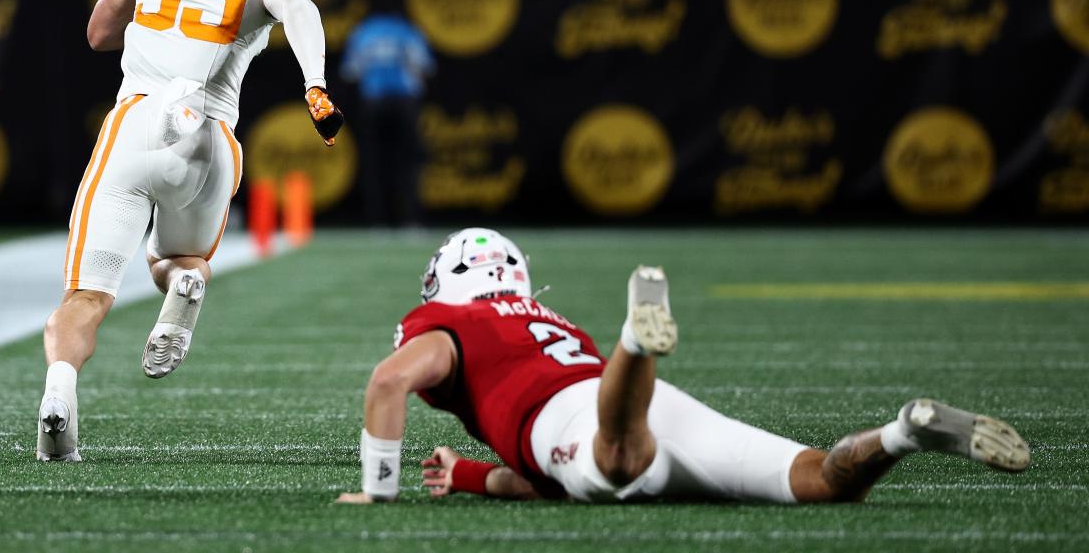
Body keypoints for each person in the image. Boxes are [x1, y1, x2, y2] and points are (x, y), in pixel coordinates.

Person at [336, 228, 1031, 505]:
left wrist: (379, 490)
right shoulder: (547, 321)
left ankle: (637, 342)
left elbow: (390, 380)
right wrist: (468, 476)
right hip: (630, 397)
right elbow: (547, 477)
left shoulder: (449, 321)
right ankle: (903, 433)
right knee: (822, 482)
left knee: (616, 465)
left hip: (588, 412)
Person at [36, 0, 345, 463]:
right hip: (210, 136)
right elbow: (296, 9)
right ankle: (184, 287)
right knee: (180, 261)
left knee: (86, 297)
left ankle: (59, 392)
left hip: (136, 121)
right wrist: (315, 81)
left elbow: (99, 33)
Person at [341, 13, 434, 227]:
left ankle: (378, 220)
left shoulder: (364, 31)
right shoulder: (407, 29)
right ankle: (410, 219)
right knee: (407, 162)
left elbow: (351, 71)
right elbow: (425, 65)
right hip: (405, 102)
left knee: (375, 162)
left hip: (374, 101)